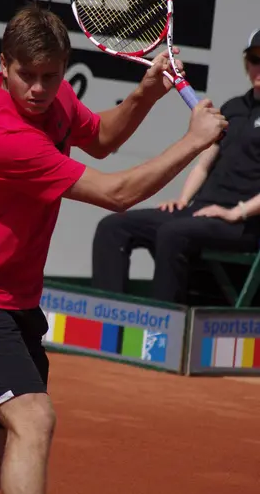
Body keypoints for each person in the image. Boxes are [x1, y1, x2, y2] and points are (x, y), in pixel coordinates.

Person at [0, 3, 226, 494]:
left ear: (63, 70)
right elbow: (116, 194)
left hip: (13, 304)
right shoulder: (4, 138)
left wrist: (145, 94)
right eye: (26, 75)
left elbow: (103, 139)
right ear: (3, 64)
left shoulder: (54, 101)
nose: (37, 89)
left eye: (50, 77)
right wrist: (193, 143)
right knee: (35, 419)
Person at [92, 28, 260, 306]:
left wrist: (235, 213)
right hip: (200, 212)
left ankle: (160, 333)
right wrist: (182, 201)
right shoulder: (233, 107)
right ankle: (107, 324)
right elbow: (204, 164)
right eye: (254, 59)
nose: (258, 67)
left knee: (173, 234)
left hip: (243, 224)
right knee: (113, 227)